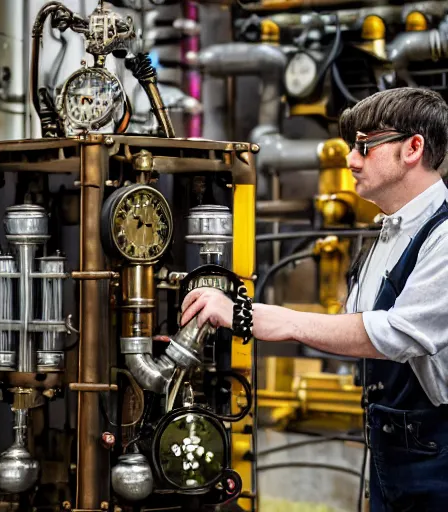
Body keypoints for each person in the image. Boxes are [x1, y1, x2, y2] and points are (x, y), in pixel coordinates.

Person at [180, 87, 448, 511]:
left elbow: (397, 334)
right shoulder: (387, 233)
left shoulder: (444, 237)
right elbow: (352, 322)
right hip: (389, 448)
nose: (351, 160)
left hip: (435, 459)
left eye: (365, 146)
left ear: (413, 147)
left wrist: (264, 318)